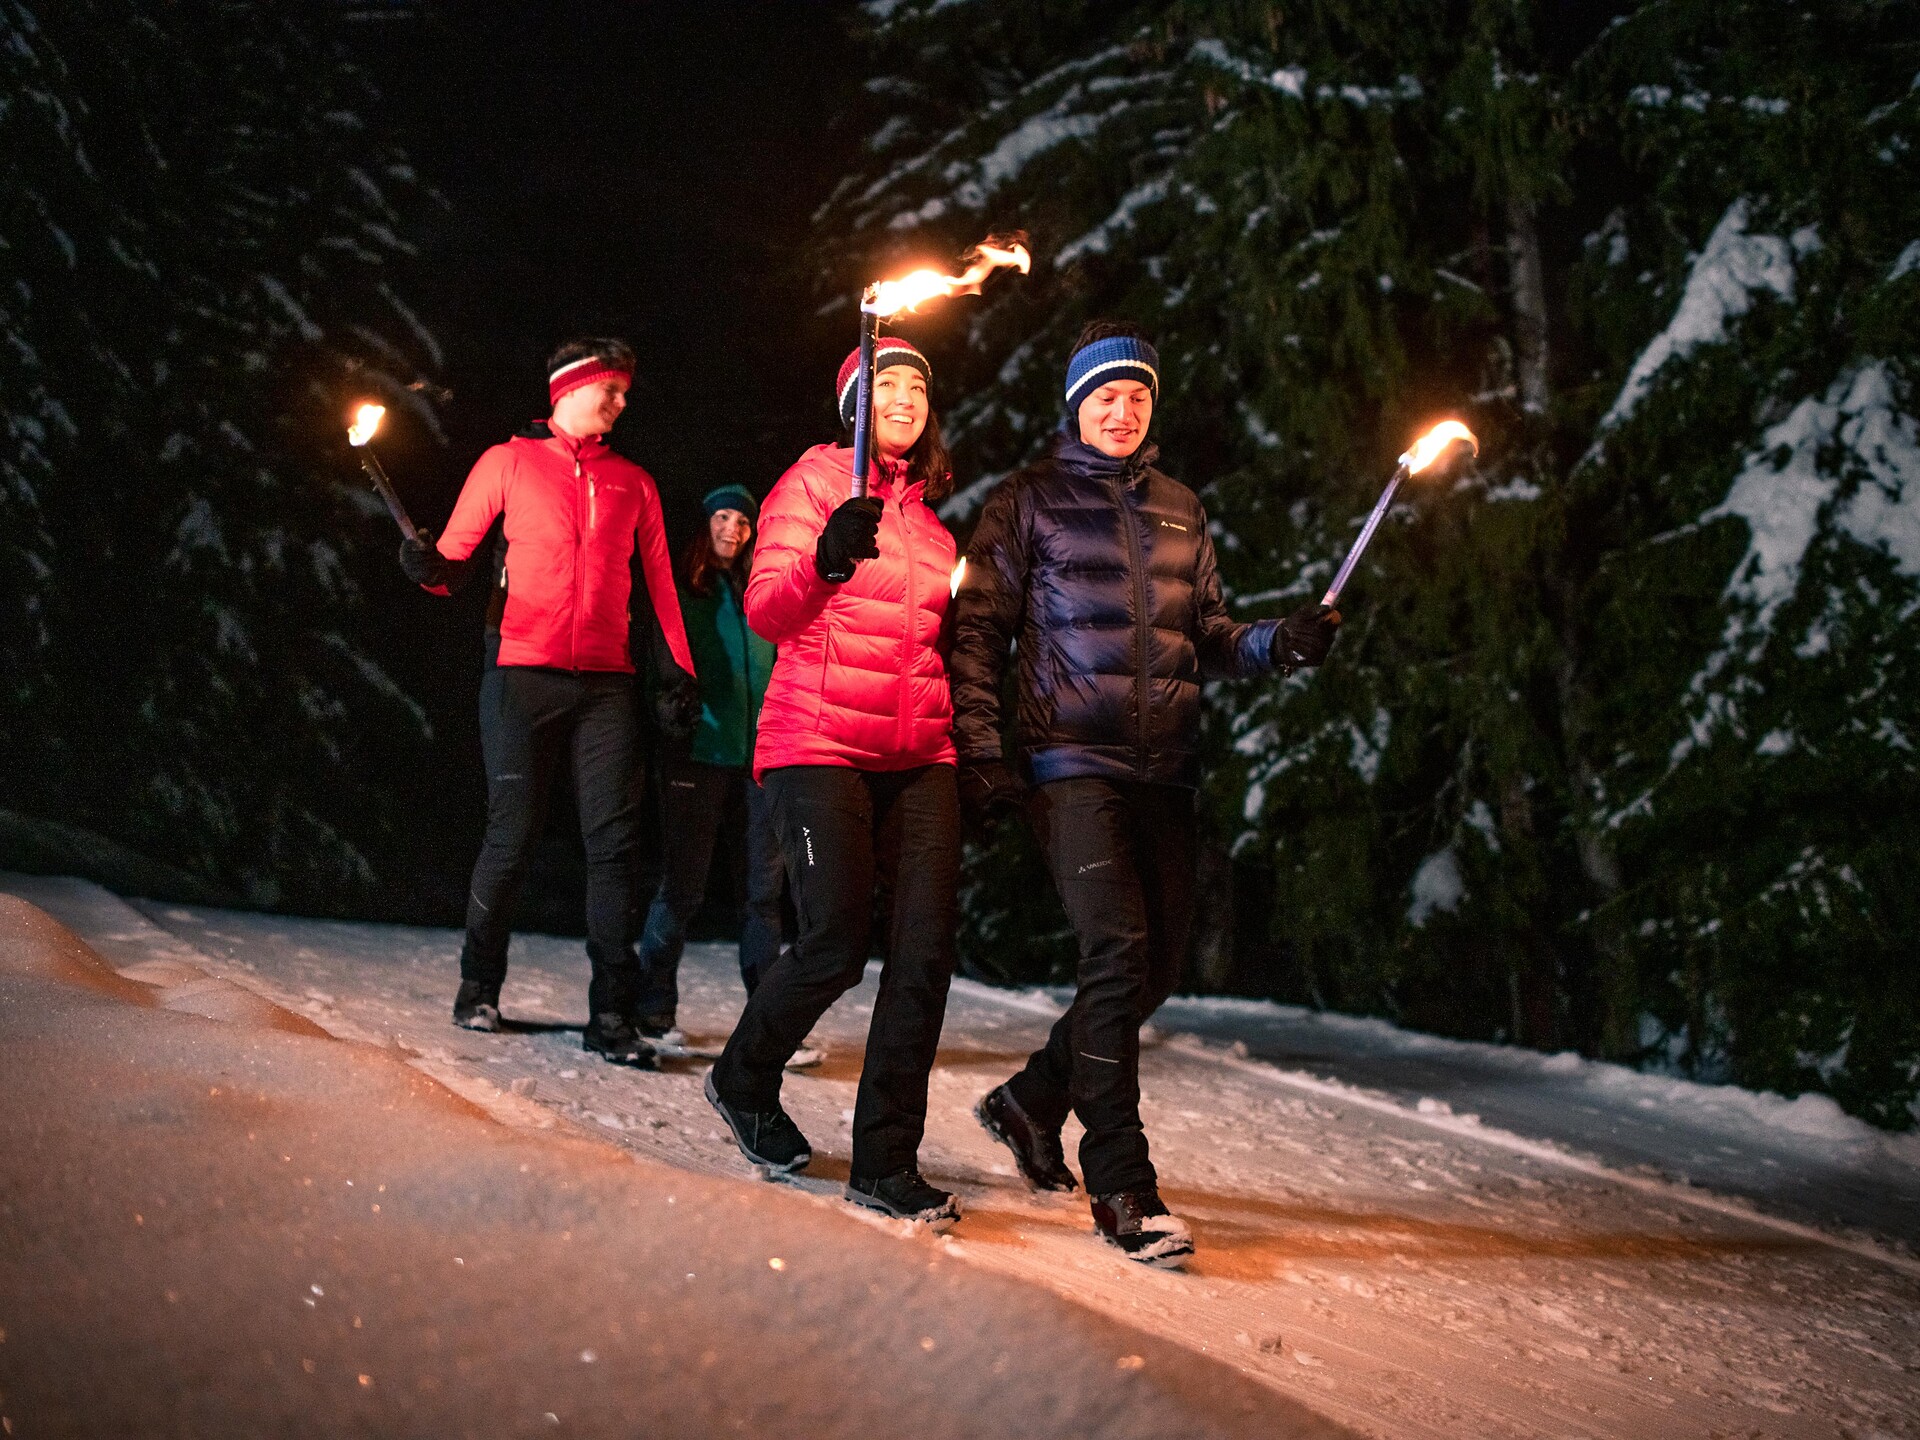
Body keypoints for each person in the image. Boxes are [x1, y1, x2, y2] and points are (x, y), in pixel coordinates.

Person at [949, 321, 1340, 1265]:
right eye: (1105, 397)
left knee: (1154, 970)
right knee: (1118, 952)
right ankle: (1123, 1185)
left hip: (1165, 764)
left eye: (1138, 397)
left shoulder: (1179, 507)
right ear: (1076, 405)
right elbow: (976, 631)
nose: (1122, 412)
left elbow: (1204, 633)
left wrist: (1276, 642)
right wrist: (983, 750)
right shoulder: (1027, 499)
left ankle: (1030, 1100)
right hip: (1067, 763)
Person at [705, 336, 964, 1228]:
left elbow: (931, 643)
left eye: (915, 387)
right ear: (855, 403)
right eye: (884, 383)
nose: (903, 397)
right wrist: (823, 556)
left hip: (920, 751)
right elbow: (766, 609)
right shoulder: (814, 484)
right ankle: (743, 1076)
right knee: (836, 942)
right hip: (816, 741)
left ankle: (885, 1162)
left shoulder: (931, 526)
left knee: (925, 955)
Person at [399, 338, 696, 1068]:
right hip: (520, 676)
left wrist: (677, 673)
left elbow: (659, 587)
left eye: (626, 393)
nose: (623, 404)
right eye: (613, 391)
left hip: (606, 685)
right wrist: (425, 566)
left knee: (615, 848)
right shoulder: (508, 462)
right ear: (571, 388)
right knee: (512, 835)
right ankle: (478, 985)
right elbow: (454, 565)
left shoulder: (634, 483)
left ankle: (611, 1017)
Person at [634, 484, 784, 1047]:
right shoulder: (679, 590)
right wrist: (668, 706)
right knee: (683, 888)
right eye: (722, 516)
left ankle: (768, 1026)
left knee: (764, 894)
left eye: (744, 522)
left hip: (762, 758)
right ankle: (653, 1010)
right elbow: (655, 662)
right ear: (705, 524)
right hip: (698, 752)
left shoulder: (760, 596)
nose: (733, 529)